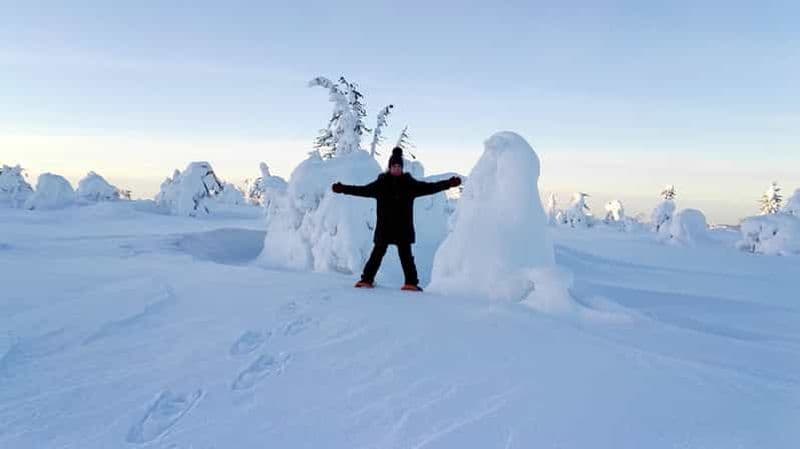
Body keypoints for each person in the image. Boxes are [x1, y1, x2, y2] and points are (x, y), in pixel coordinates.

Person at [332, 147, 461, 291]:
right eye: (394, 166)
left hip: (403, 229)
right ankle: (366, 280)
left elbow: (430, 187)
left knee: (406, 257)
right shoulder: (381, 184)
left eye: (399, 166)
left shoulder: (409, 184)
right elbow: (361, 190)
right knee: (377, 255)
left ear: (402, 168)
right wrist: (343, 189)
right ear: (390, 167)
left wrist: (448, 184)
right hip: (384, 228)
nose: (396, 168)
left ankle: (411, 283)